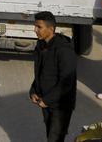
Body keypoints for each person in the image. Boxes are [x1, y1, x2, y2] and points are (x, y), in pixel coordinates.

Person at [30, 11, 77, 142]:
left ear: (51, 29)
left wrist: (47, 100)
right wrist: (34, 90)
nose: (35, 30)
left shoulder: (64, 50)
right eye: (35, 26)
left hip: (61, 106)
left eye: (39, 27)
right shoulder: (41, 46)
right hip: (45, 101)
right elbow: (39, 72)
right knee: (50, 135)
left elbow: (66, 82)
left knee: (55, 139)